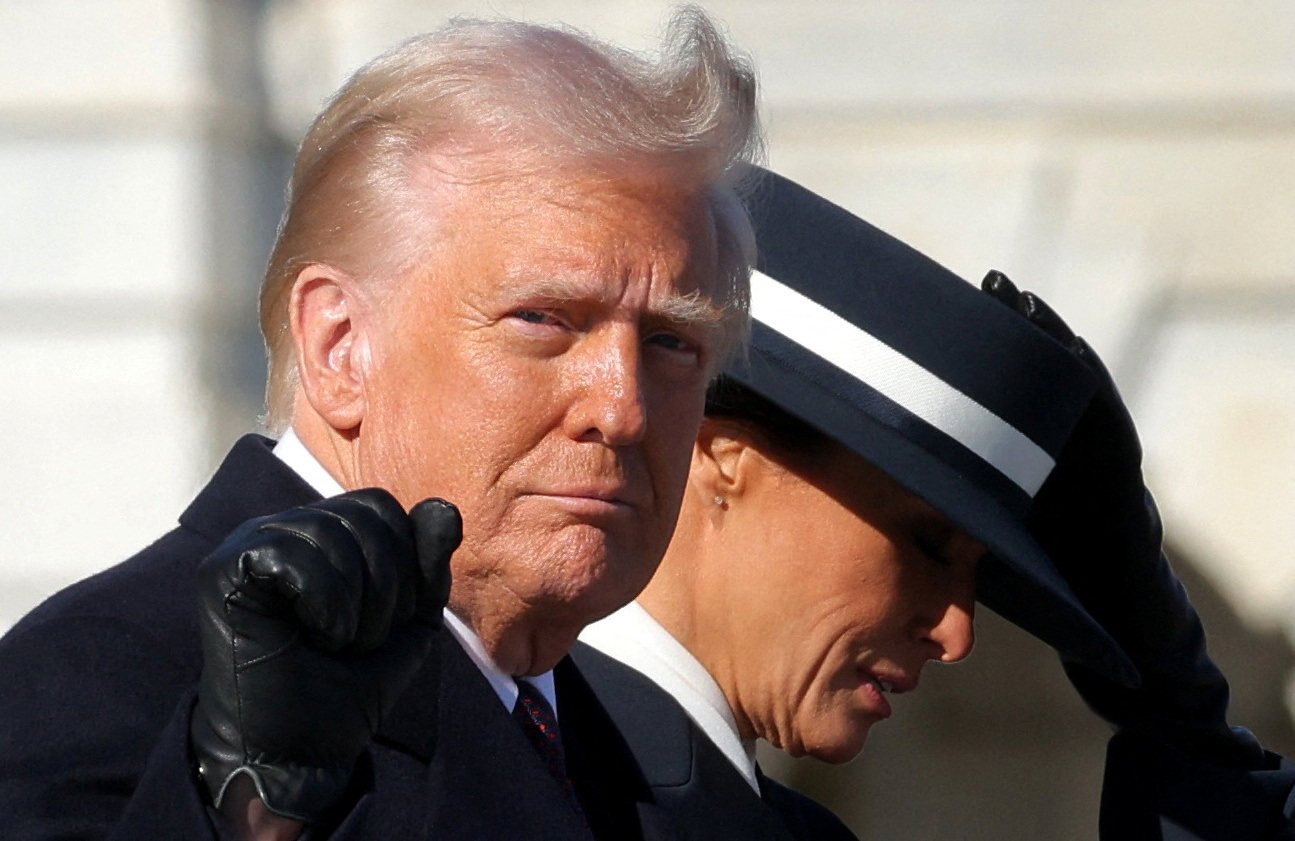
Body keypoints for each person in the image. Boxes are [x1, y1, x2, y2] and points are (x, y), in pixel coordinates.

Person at [0, 9, 761, 841]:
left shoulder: (626, 753)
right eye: (543, 318)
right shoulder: (105, 675)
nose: (620, 406)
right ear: (340, 347)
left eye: (670, 342)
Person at [577, 168, 1295, 840]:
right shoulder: (502, 756)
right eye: (926, 540)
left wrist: (1175, 713)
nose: (956, 634)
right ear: (722, 456)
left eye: (977, 575)